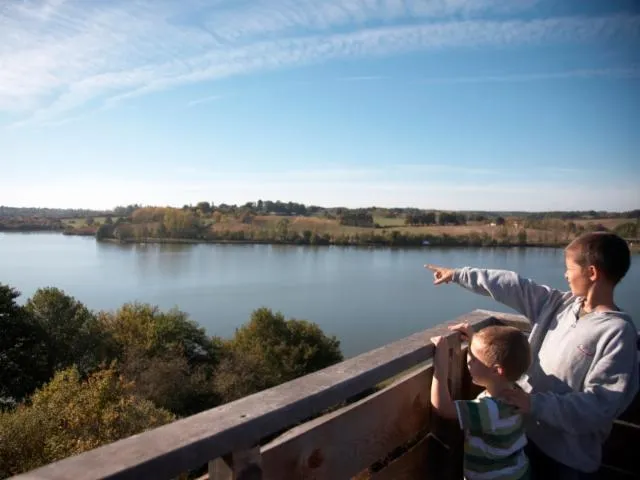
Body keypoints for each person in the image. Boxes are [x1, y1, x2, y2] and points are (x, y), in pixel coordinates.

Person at [426, 231, 638, 479]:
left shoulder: (617, 332)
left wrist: (533, 404)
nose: (565, 275)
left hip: (567, 460)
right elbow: (513, 285)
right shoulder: (560, 304)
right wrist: (459, 275)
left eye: (569, 268)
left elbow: (601, 405)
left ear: (591, 273)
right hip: (523, 443)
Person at [430, 324, 532, 479]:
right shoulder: (517, 394)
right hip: (517, 472)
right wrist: (474, 340)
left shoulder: (490, 410)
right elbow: (487, 361)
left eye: (475, 359)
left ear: (496, 370)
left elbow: (443, 407)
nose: (469, 362)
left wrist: (441, 366)